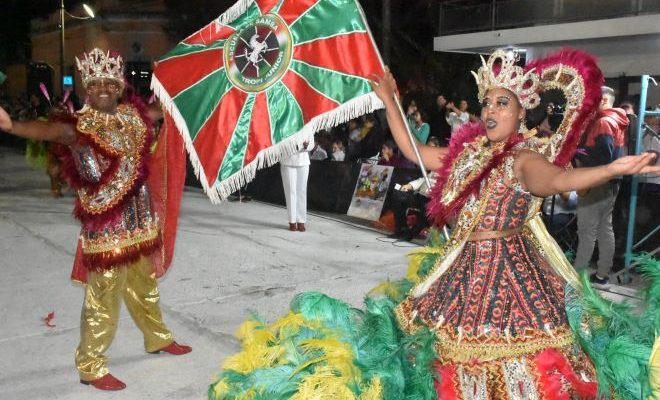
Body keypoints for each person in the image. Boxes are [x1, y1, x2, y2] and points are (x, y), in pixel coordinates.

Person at [209, 50, 660, 399]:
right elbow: (413, 151)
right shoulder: (469, 153)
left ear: (522, 112)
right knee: (429, 353)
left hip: (511, 274)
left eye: (502, 103)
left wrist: (610, 171)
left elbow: (561, 179)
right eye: (487, 102)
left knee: (522, 363)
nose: (490, 111)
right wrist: (388, 100)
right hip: (461, 268)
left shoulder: (524, 159)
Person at [0, 48, 191, 391]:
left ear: (120, 86)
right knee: (103, 298)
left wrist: (197, 85)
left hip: (140, 223)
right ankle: (90, 365)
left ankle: (158, 337)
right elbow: (50, 132)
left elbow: (165, 111)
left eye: (109, 83)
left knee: (145, 287)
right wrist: (13, 125)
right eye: (96, 84)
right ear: (88, 88)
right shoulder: (79, 126)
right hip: (106, 230)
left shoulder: (134, 115)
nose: (104, 88)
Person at [573, 86, 630, 287]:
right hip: (613, 183)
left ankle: (577, 276)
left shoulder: (603, 122)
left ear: (604, 100)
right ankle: (602, 275)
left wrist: (578, 154)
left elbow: (602, 157)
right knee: (605, 229)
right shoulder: (618, 120)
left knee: (587, 231)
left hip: (596, 182)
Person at [280, 140, 314, 232]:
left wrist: (306, 146)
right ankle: (292, 221)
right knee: (290, 191)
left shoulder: (307, 127)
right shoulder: (285, 126)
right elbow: (281, 143)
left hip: (303, 161)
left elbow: (312, 144)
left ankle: (301, 221)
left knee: (302, 191)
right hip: (287, 161)